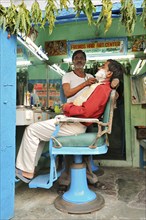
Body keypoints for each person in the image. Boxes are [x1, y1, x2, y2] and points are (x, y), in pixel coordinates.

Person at [15, 58, 125, 185]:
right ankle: (29, 168)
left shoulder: (101, 89)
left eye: (103, 66)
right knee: (38, 132)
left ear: (109, 74)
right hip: (77, 123)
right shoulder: (101, 87)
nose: (100, 67)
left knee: (31, 130)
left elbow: (86, 112)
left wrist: (67, 107)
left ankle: (26, 171)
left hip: (75, 124)